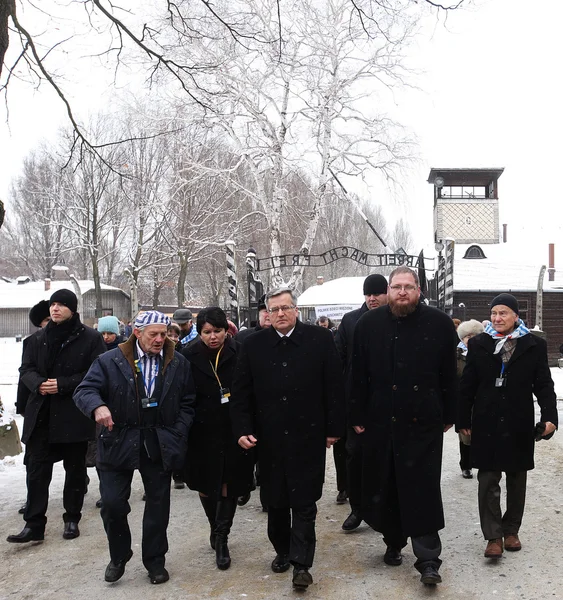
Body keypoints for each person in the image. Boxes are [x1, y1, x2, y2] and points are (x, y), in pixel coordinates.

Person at [231, 287, 345, 590]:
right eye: (274, 309)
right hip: (268, 438)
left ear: (296, 309)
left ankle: (302, 564)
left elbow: (334, 385)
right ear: (267, 313)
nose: (280, 314)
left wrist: (334, 427)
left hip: (307, 435)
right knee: (276, 501)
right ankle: (282, 549)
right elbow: (240, 392)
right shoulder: (253, 344)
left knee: (305, 502)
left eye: (286, 308)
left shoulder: (319, 340)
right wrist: (242, 428)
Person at [350, 266, 458, 586]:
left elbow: (449, 375)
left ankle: (428, 558)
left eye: (408, 287)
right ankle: (393, 542)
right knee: (386, 484)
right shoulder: (368, 325)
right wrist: (355, 415)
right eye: (396, 286)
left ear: (419, 290)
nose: (401, 292)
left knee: (422, 487)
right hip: (380, 420)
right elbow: (357, 375)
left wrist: (450, 413)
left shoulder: (437, 324)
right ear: (388, 290)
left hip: (422, 421)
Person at [73, 310, 196, 585]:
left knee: (158, 506)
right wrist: (98, 406)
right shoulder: (109, 360)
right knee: (113, 505)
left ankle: (155, 561)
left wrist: (177, 432)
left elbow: (188, 402)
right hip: (118, 439)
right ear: (137, 333)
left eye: (164, 335)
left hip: (159, 440)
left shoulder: (178, 362)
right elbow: (84, 390)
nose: (160, 340)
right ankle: (119, 555)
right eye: (153, 334)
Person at [458, 293, 557, 559]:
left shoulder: (533, 345)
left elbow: (545, 385)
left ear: (516, 316)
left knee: (516, 478)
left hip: (518, 420)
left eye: (503, 313)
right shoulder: (479, 344)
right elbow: (467, 385)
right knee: (488, 479)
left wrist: (550, 417)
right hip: (486, 420)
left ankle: (511, 530)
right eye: (494, 313)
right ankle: (493, 536)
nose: (497, 318)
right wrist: (462, 419)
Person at [8, 290, 106, 544]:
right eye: (53, 304)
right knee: (37, 471)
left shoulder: (91, 338)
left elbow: (97, 371)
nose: (55, 309)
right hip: (41, 414)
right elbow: (25, 369)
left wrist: (62, 384)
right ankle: (34, 524)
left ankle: (72, 518)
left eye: (62, 305)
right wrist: (39, 384)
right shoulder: (35, 340)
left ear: (72, 310)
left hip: (73, 413)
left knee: (74, 470)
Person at [182, 307, 254, 570]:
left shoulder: (240, 352)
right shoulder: (186, 355)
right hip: (200, 430)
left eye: (218, 331)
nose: (213, 337)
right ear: (199, 333)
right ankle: (214, 526)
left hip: (233, 427)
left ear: (227, 330)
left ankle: (222, 537)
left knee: (229, 483)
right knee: (205, 483)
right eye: (207, 332)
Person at [334, 273, 388, 528]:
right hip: (356, 400)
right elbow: (339, 360)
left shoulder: (396, 318)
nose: (372, 298)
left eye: (377, 293)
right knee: (354, 456)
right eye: (368, 294)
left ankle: (382, 509)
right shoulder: (351, 320)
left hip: (387, 401)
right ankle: (357, 507)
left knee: (384, 458)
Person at [234, 294, 271, 508]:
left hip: (271, 405)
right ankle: (246, 484)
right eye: (264, 310)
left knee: (269, 456)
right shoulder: (245, 338)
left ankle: (267, 493)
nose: (268, 314)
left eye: (271, 309)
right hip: (250, 403)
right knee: (247, 450)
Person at [15, 300, 51, 515]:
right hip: (37, 402)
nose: (50, 323)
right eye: (46, 320)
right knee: (34, 460)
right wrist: (22, 404)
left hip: (62, 405)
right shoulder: (31, 342)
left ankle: (79, 482)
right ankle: (32, 500)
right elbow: (24, 375)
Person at [455, 319, 484, 479]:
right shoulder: (457, 355)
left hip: (481, 400)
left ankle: (480, 462)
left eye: (474, 335)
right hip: (464, 400)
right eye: (467, 336)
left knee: (482, 433)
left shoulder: (486, 354)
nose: (470, 339)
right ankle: (466, 464)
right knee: (465, 434)